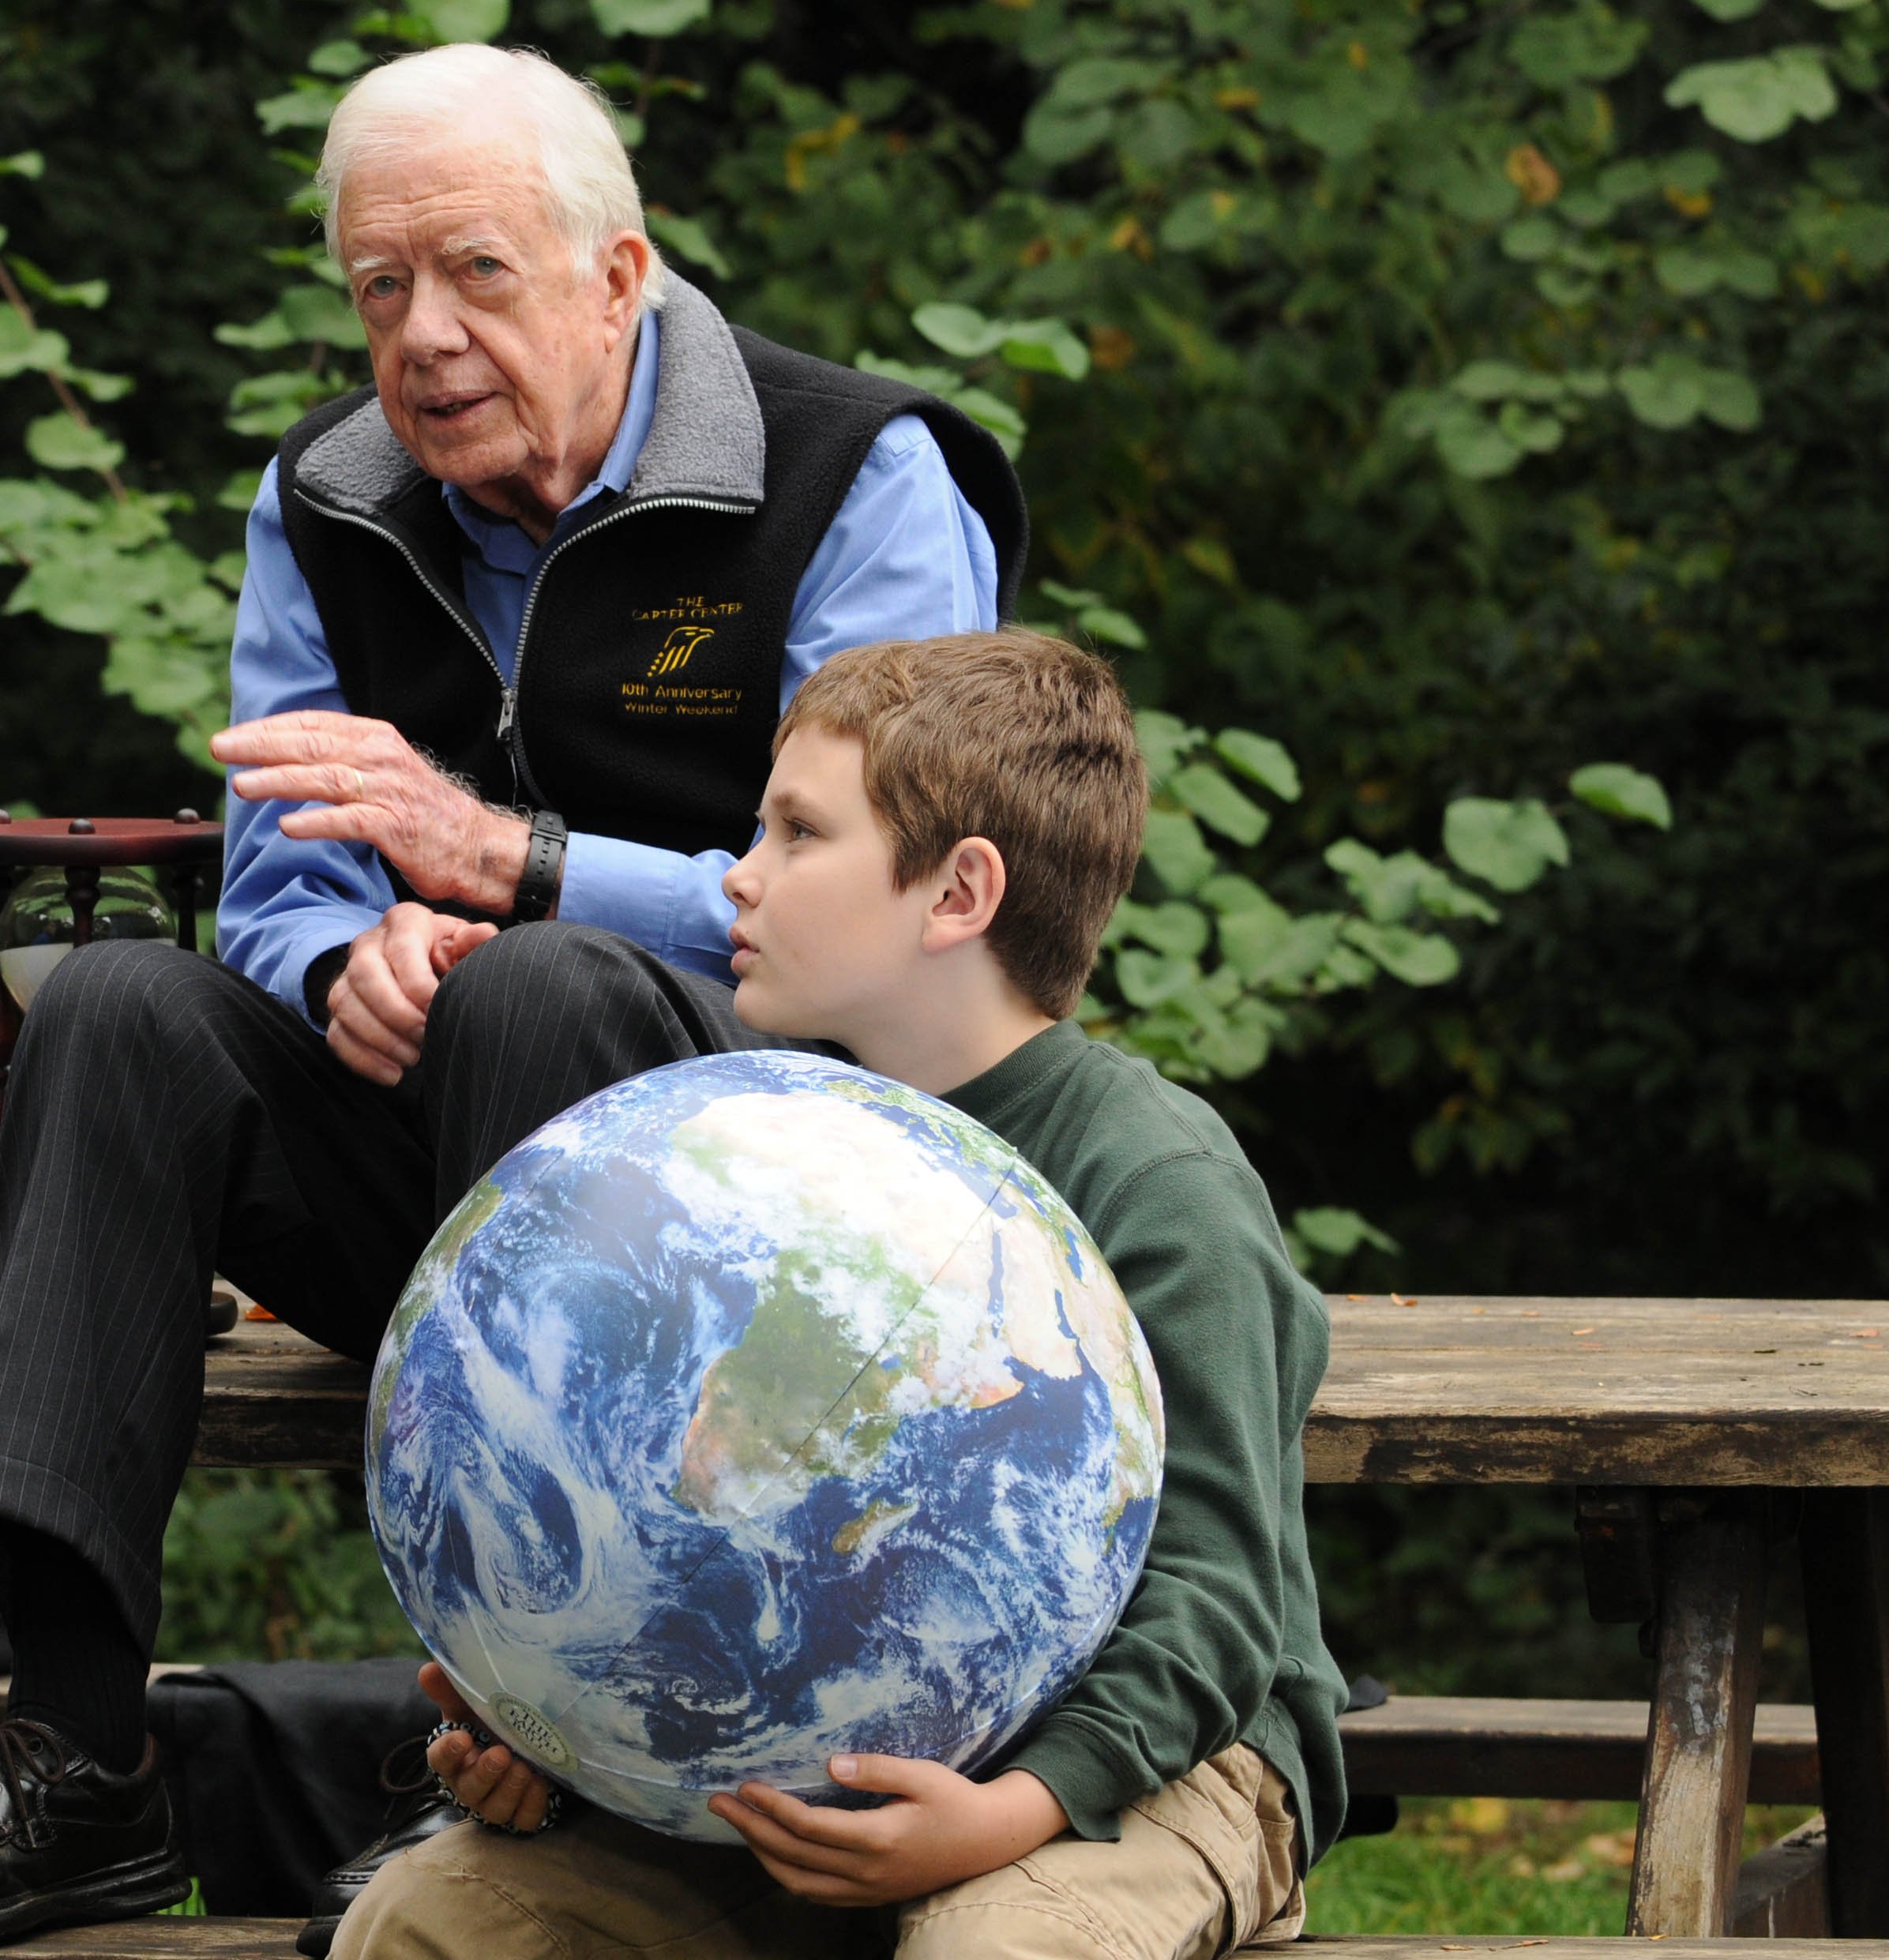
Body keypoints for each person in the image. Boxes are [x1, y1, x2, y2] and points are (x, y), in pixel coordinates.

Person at [0, 44, 1029, 1951]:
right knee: (116, 1003)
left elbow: (908, 916)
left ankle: (516, 1747)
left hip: (799, 1260)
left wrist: (508, 872)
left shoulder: (849, 474)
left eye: (474, 273)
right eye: (379, 287)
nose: (423, 334)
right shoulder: (326, 495)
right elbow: (281, 881)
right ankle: (72, 1757)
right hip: (450, 1190)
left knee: (538, 987)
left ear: (617, 274)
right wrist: (340, 958)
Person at [336, 628, 1348, 1960]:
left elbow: (1219, 1598)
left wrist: (1013, 1813)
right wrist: (560, 1732)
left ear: (957, 894)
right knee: (425, 1927)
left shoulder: (1152, 1174)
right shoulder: (744, 1143)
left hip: (1149, 1765)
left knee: (992, 1953)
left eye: (797, 835)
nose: (740, 879)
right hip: (786, 1769)